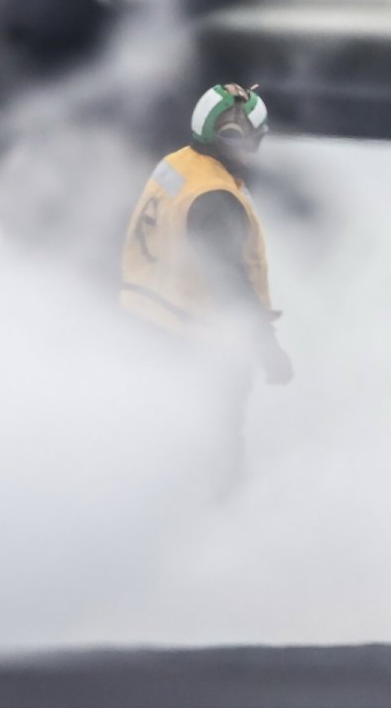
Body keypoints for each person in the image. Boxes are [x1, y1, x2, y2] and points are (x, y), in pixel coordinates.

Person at [120, 83, 293, 486]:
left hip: (142, 317)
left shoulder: (179, 165)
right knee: (215, 445)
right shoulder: (214, 196)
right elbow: (229, 282)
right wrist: (267, 349)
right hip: (188, 334)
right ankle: (216, 508)